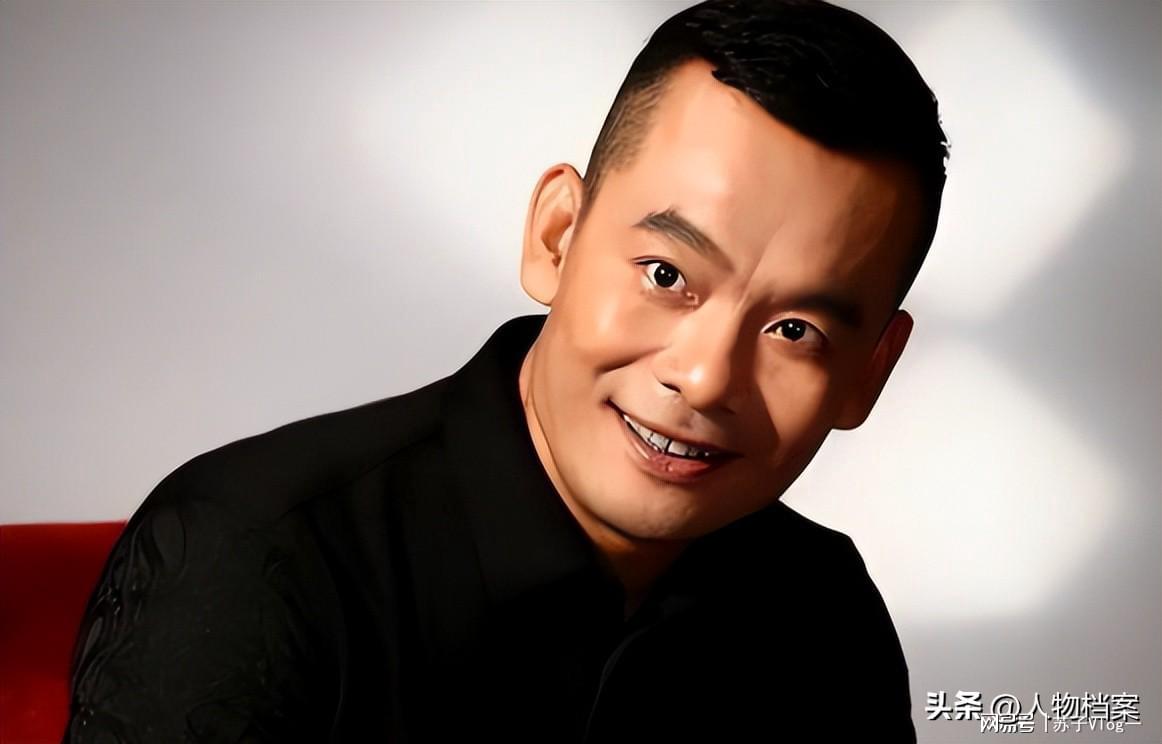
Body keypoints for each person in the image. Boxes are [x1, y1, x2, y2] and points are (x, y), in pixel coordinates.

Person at [64, 0, 948, 741]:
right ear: (556, 236)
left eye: (794, 330)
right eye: (665, 275)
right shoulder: (251, 556)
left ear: (868, 374)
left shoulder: (824, 613)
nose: (706, 377)